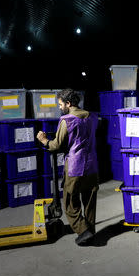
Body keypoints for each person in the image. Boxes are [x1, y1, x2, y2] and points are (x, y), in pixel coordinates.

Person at [36, 88, 99, 246]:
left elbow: (56, 145)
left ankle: (83, 231)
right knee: (90, 202)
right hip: (92, 166)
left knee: (70, 202)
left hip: (75, 167)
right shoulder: (92, 116)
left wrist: (44, 140)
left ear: (68, 103)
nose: (59, 107)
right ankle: (90, 231)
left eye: (60, 104)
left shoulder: (67, 120)